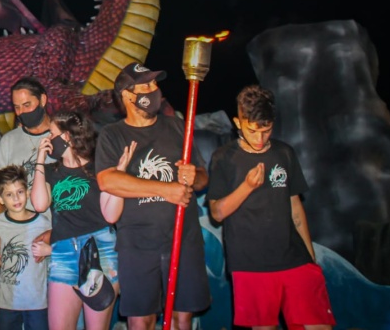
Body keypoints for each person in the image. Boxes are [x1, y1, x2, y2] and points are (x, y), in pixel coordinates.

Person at [207, 85, 335, 330]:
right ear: (238, 122)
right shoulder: (224, 157)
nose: (260, 138)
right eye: (253, 131)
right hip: (250, 263)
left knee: (318, 324)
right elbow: (217, 213)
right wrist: (246, 186)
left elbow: (295, 207)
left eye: (266, 131)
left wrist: (310, 258)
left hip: (295, 259)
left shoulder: (284, 153)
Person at [95, 62, 210, 330]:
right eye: (146, 85)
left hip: (184, 240)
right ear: (127, 95)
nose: (154, 89)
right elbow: (108, 180)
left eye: (155, 84)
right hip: (137, 244)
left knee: (184, 317)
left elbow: (203, 176)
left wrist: (195, 176)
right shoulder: (113, 135)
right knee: (141, 320)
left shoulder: (177, 127)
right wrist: (165, 189)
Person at [31, 111, 132, 330]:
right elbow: (39, 205)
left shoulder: (98, 168)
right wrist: (40, 159)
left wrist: (120, 174)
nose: (48, 138)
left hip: (101, 250)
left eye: (52, 133)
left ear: (66, 136)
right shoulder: (51, 170)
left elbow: (111, 215)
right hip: (64, 252)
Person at [0, 165, 51, 330]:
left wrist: (49, 250)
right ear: (0, 199)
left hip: (37, 303)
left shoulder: (43, 223)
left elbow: (61, 246)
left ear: (27, 192)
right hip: (8, 303)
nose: (16, 198)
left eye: (19, 192)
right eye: (9, 194)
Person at [0, 77, 54, 221]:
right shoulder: (8, 141)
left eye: (27, 105)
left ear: (42, 100)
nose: (21, 112)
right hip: (23, 230)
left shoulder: (62, 135)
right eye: (17, 107)